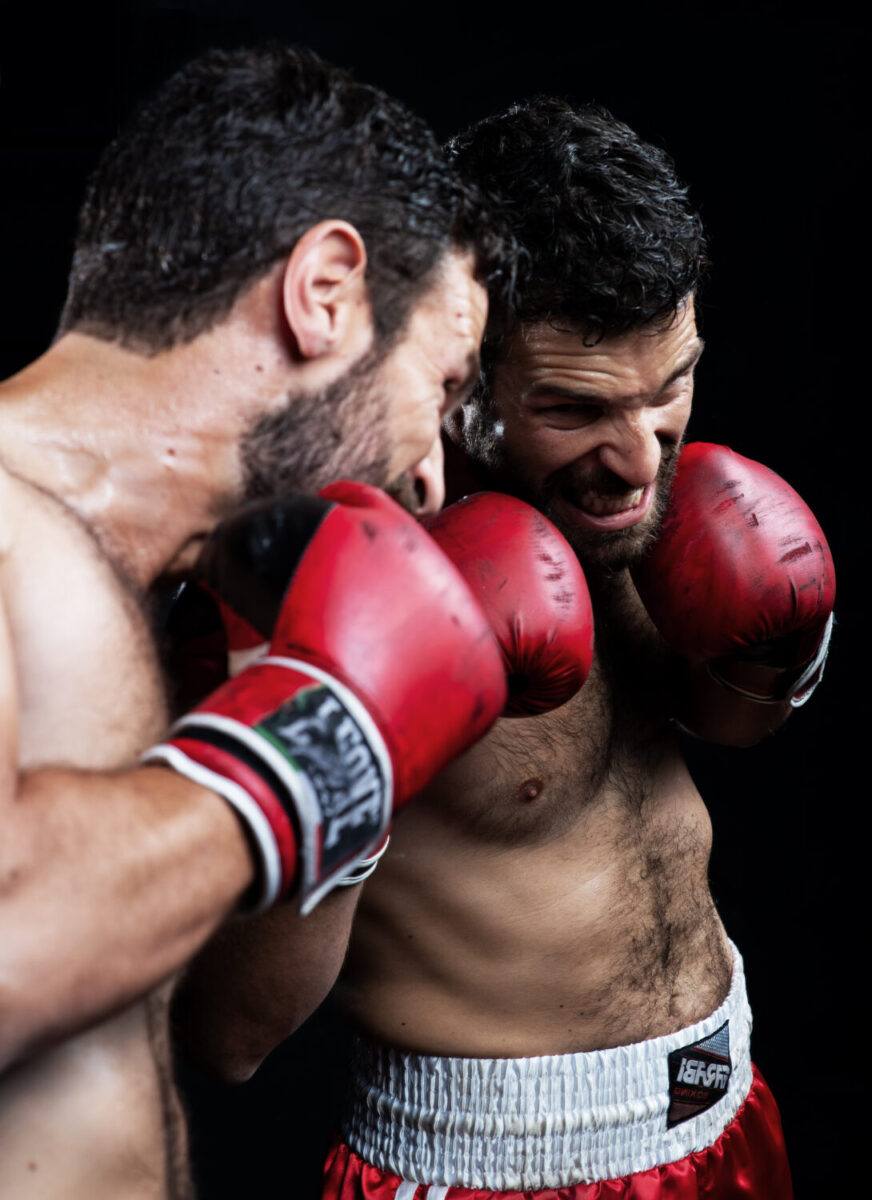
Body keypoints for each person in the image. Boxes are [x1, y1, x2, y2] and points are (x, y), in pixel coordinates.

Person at [178, 99, 835, 1197]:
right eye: (575, 408)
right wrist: (362, 726)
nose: (640, 457)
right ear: (463, 371)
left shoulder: (627, 501)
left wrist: (779, 648)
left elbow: (722, 724)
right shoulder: (321, 577)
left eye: (671, 387)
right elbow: (229, 1033)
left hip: (727, 1120)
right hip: (494, 1172)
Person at [0, 43, 530, 1200]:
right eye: (442, 388)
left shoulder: (155, 590)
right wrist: (325, 741)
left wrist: (341, 732)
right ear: (323, 293)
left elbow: (233, 1037)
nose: (433, 478)